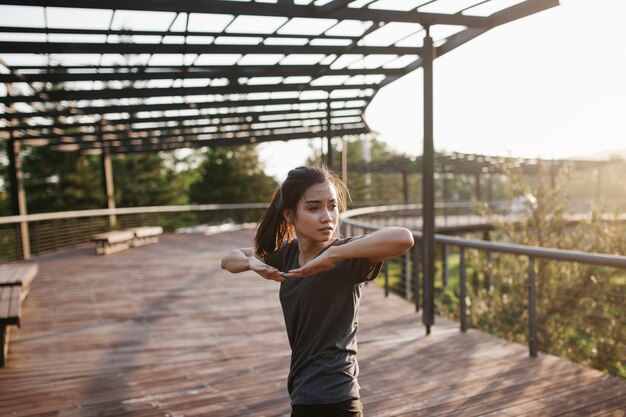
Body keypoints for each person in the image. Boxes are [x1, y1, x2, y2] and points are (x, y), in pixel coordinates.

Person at [221, 165, 414, 417]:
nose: (327, 216)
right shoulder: (287, 254)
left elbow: (403, 238)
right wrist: (252, 263)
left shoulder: (348, 256)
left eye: (332, 206)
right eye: (313, 208)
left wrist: (333, 254)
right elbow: (228, 259)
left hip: (336, 396)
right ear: (289, 215)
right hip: (303, 392)